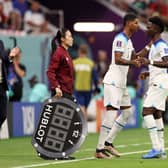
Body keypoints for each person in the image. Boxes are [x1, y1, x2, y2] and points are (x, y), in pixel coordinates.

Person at [95, 13, 150, 159]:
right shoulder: (120, 39)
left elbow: (134, 57)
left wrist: (149, 47)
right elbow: (118, 59)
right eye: (136, 23)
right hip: (113, 80)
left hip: (121, 83)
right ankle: (99, 149)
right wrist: (133, 63)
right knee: (111, 113)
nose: (138, 25)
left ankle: (108, 142)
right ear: (129, 23)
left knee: (127, 113)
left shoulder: (129, 41)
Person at [138, 16, 168, 159]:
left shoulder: (161, 45)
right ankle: (161, 149)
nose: (146, 28)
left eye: (149, 26)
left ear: (156, 28)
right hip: (159, 80)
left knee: (146, 111)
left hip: (160, 82)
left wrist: (148, 61)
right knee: (156, 114)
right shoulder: (154, 45)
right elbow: (160, 67)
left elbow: (167, 63)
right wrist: (149, 71)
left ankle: (156, 148)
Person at [46, 28, 74, 160]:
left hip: (67, 91)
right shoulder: (59, 52)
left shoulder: (66, 53)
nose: (72, 38)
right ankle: (56, 152)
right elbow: (50, 72)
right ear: (62, 39)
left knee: (65, 123)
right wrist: (56, 87)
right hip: (60, 91)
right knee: (60, 123)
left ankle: (57, 151)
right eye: (69, 36)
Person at [73, 44, 99, 119]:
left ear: (79, 52)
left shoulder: (74, 63)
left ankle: (84, 126)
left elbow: (71, 76)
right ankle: (85, 126)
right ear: (87, 52)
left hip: (78, 88)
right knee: (84, 108)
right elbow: (95, 78)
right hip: (88, 89)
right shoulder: (90, 63)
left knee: (82, 107)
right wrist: (96, 87)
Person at [0, 43, 21, 129]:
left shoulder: (0, 44)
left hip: (1, 85)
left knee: (3, 114)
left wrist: (11, 57)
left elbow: (6, 62)